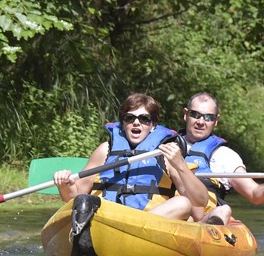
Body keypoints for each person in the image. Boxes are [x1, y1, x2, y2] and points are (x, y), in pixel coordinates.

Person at [53, 93, 210, 220]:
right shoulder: (105, 150)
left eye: (144, 119)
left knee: (183, 203)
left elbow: (200, 201)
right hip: (107, 221)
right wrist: (64, 185)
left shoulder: (166, 154)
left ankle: (133, 229)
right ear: (122, 123)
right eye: (130, 118)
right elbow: (74, 198)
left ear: (153, 125)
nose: (136, 123)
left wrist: (180, 165)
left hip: (147, 227)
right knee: (83, 202)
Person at [181, 92, 264, 225]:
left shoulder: (226, 156)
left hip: (202, 220)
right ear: (186, 114)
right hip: (172, 213)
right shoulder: (164, 146)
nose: (201, 122)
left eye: (208, 117)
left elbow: (255, 194)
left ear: (216, 120)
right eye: (195, 115)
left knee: (224, 210)